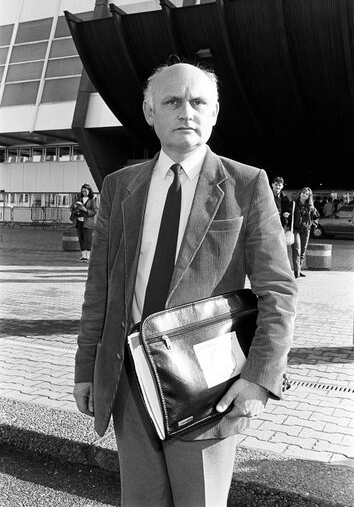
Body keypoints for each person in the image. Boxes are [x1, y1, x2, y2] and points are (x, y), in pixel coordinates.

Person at [73, 62, 297, 507]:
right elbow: (99, 287)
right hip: (129, 379)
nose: (186, 112)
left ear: (214, 113)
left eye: (198, 102)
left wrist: (259, 378)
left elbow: (279, 291)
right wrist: (86, 369)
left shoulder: (247, 185)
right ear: (150, 111)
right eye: (173, 101)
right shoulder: (119, 187)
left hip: (207, 388)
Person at [291, 187, 319, 279]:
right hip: (295, 230)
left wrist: (314, 224)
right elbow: (288, 214)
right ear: (300, 193)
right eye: (303, 193)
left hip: (306, 230)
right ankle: (296, 272)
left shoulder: (310, 207)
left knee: (302, 251)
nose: (304, 195)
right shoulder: (294, 204)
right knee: (296, 249)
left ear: (308, 197)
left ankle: (298, 269)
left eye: (307, 194)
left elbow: (317, 217)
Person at [70, 183, 98, 262]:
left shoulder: (92, 201)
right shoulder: (78, 199)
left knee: (88, 239)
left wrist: (85, 210)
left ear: (89, 191)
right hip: (79, 221)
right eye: (82, 191)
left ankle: (88, 257)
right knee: (81, 238)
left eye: (85, 191)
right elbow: (71, 207)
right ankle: (83, 256)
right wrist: (75, 207)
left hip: (87, 222)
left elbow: (95, 211)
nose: (84, 193)